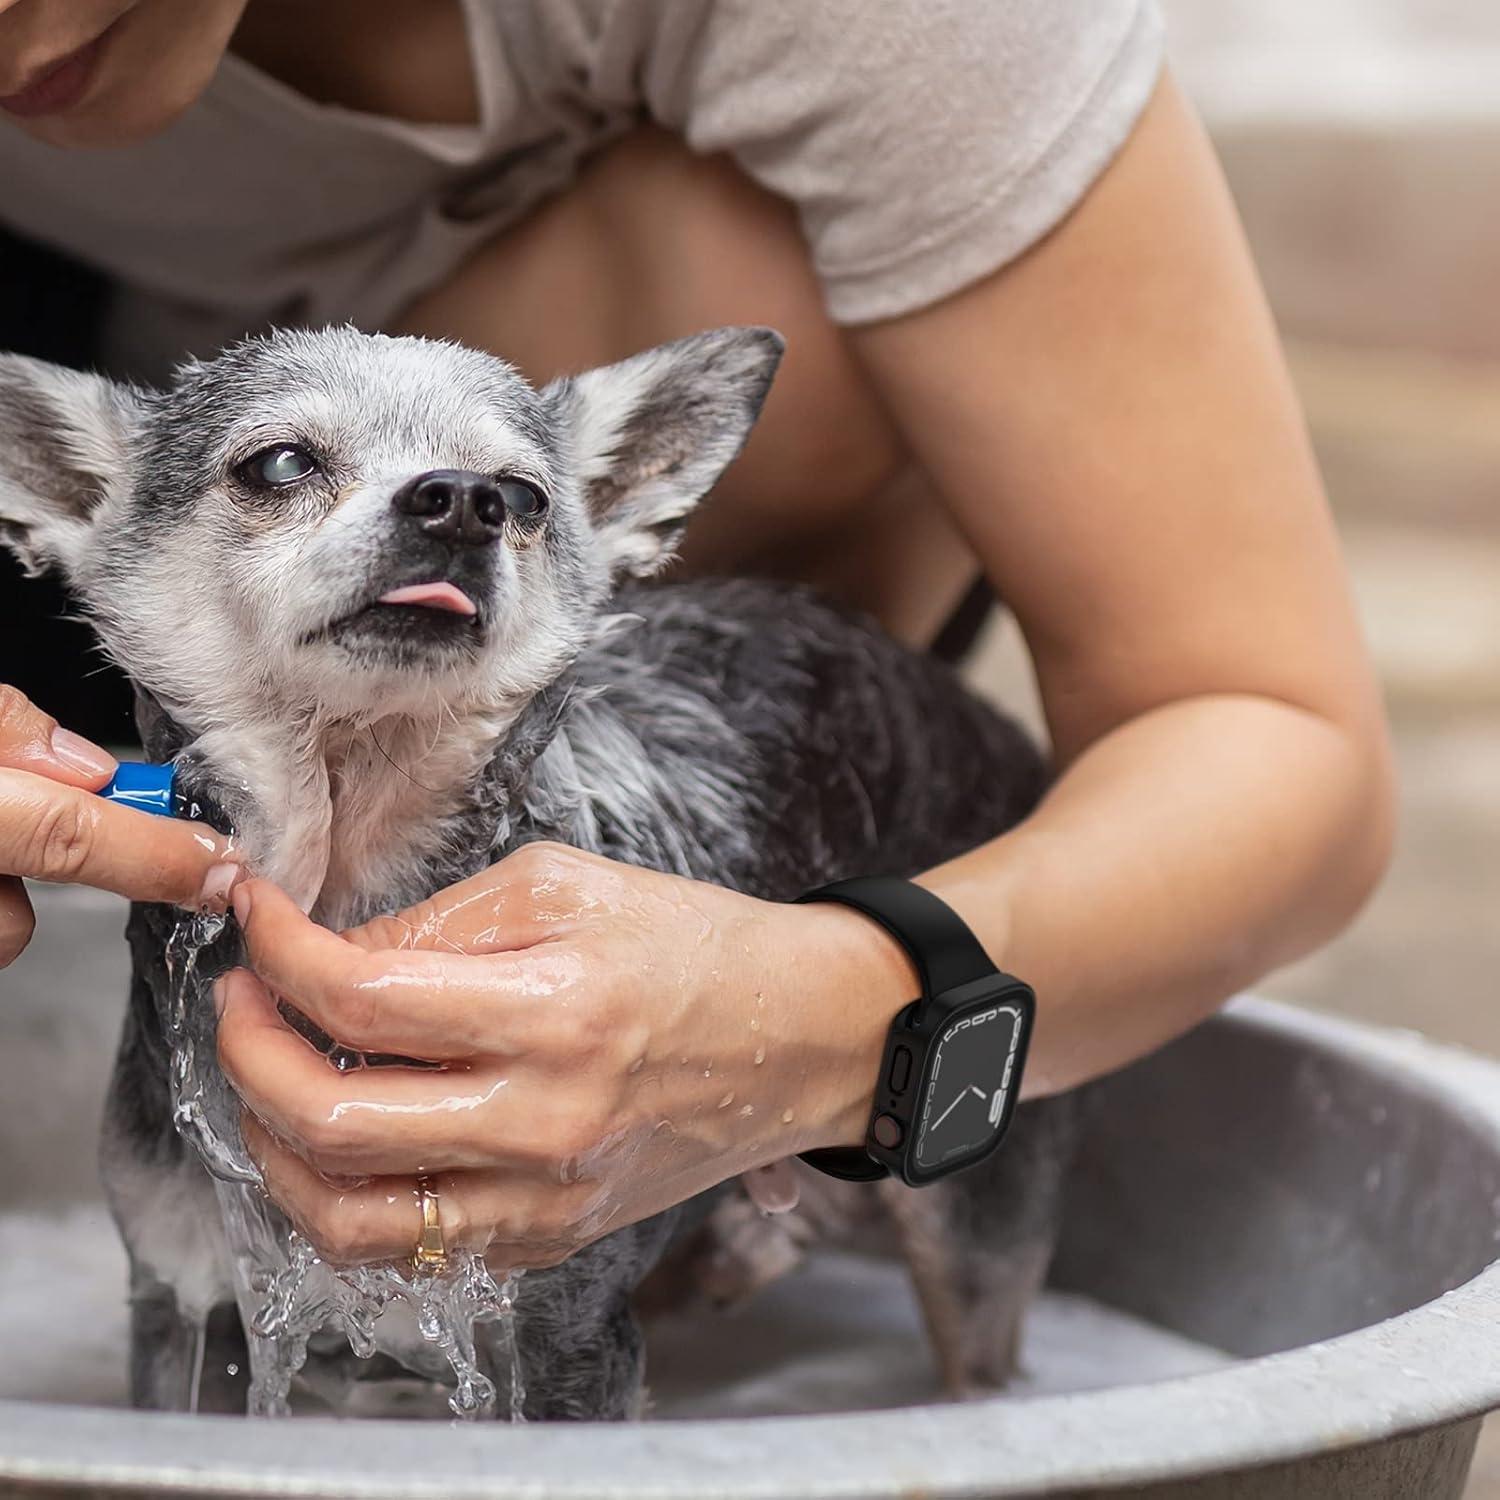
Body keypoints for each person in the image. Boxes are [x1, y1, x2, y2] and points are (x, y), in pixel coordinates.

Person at [0, 0, 1394, 1269]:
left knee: (776, 271)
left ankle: (677, 1104)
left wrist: (831, 1016)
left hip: (591, 639)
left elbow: (1269, 735)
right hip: (115, 575)